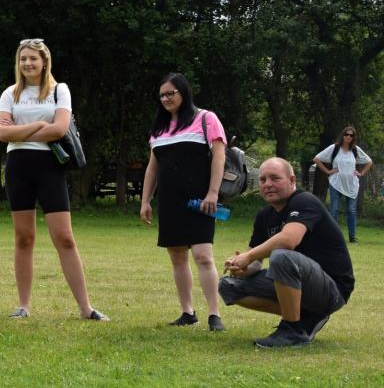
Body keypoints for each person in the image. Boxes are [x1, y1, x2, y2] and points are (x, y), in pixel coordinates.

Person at [0, 39, 107, 321]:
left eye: (33, 58)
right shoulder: (9, 94)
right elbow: (3, 134)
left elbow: (58, 129)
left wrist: (20, 130)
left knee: (65, 238)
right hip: (18, 167)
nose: (27, 63)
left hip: (49, 167)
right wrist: (38, 125)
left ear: (44, 62)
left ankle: (86, 308)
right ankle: (23, 306)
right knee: (24, 238)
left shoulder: (60, 90)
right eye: (23, 59)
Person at [219, 158, 355, 348]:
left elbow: (288, 240)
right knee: (228, 286)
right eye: (263, 179)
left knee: (281, 255)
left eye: (275, 178)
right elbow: (256, 262)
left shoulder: (304, 201)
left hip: (332, 290)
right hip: (297, 279)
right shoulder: (264, 216)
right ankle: (307, 317)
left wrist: (248, 256)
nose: (267, 184)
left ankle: (292, 330)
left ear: (292, 180)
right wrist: (243, 268)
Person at [139, 74, 228, 330]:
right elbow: (152, 168)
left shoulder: (206, 119)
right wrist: (145, 201)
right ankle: (187, 312)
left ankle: (214, 314)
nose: (166, 99)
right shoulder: (159, 128)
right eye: (162, 95)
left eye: (171, 93)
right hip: (170, 202)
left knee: (203, 256)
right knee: (177, 257)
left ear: (184, 92)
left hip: (200, 201)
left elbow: (219, 157)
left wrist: (213, 193)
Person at [314, 125, 372, 244]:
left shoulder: (355, 150)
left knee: (351, 210)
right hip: (336, 183)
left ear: (353, 137)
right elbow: (317, 159)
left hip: (351, 184)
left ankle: (352, 237)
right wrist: (328, 171)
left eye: (351, 135)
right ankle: (333, 237)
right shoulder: (334, 148)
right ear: (343, 135)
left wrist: (361, 173)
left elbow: (369, 161)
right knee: (334, 209)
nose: (348, 137)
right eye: (346, 134)